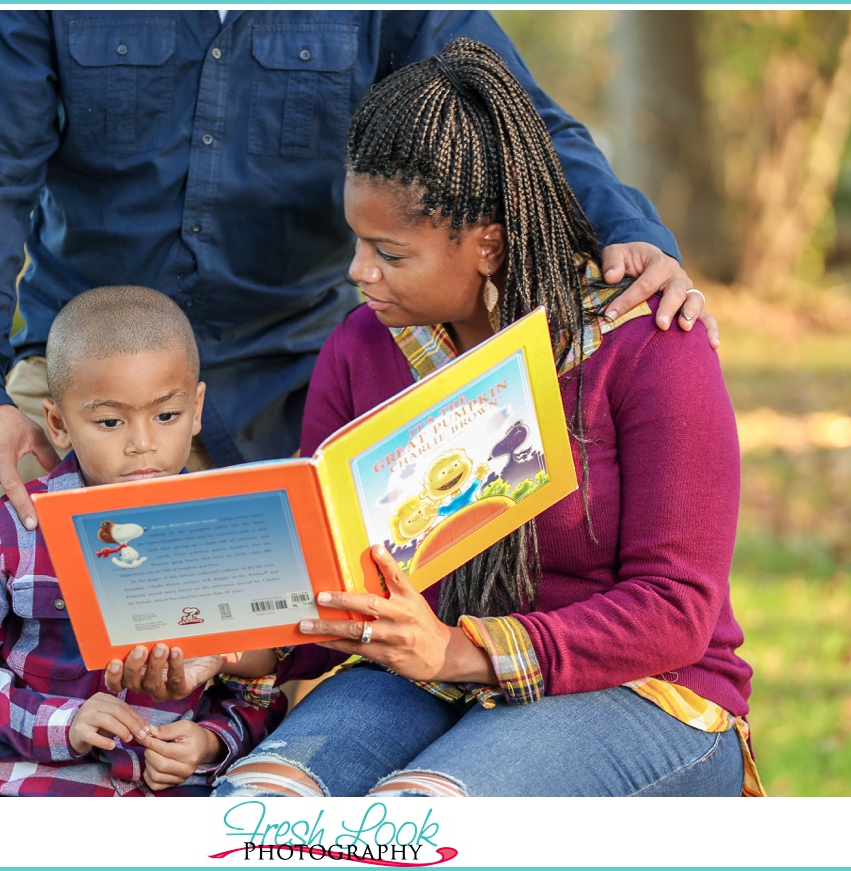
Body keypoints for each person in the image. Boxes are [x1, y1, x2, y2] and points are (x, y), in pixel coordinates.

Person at [112, 38, 762, 797]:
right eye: (356, 241)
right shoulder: (362, 346)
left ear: (486, 242)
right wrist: (222, 651)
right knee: (260, 808)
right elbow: (334, 595)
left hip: (648, 691)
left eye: (389, 251)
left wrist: (459, 650)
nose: (359, 271)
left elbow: (675, 608)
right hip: (424, 675)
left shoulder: (645, 343)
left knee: (424, 823)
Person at [0, 10, 716, 570]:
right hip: (81, 376)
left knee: (280, 690)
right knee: (23, 656)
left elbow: (514, 117)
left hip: (302, 385)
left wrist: (625, 230)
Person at [0, 286, 283, 797]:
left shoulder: (224, 535)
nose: (142, 443)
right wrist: (60, 724)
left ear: (196, 409)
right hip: (37, 792)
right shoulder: (15, 531)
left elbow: (255, 689)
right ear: (58, 424)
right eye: (110, 422)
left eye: (166, 416)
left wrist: (208, 744)